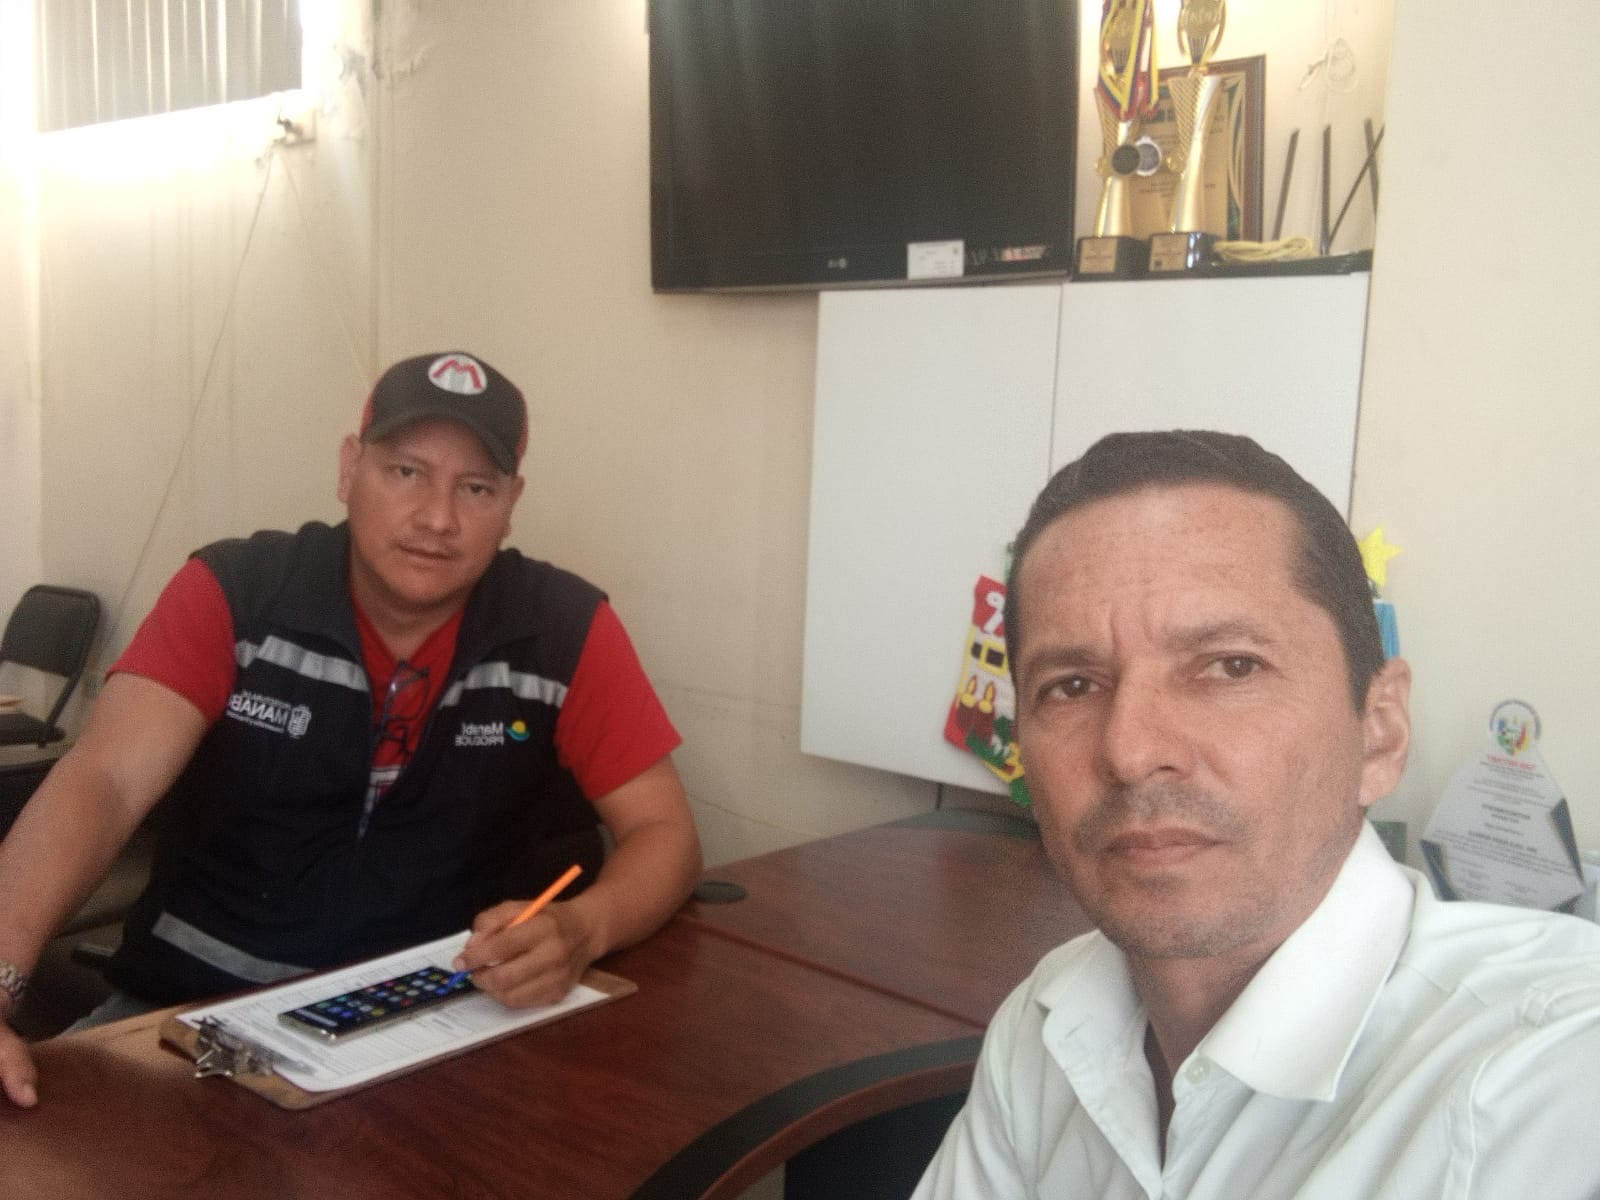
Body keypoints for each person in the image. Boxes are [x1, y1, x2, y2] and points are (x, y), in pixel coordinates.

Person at [0, 350, 702, 1108]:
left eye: (475, 487)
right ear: (348, 469)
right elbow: (104, 781)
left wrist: (585, 927)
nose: (437, 518)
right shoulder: (238, 592)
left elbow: (665, 832)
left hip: (426, 1033)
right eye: (406, 472)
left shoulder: (563, 628)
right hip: (187, 1020)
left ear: (512, 502)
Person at [913, 430, 1600, 1199]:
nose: (1130, 752)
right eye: (1071, 686)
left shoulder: (1541, 1082)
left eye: (1230, 667)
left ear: (1379, 732)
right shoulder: (1045, 1021)